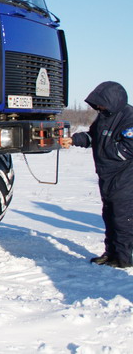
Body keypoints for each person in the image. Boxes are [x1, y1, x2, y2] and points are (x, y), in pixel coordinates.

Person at [60, 81, 133, 268]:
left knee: (122, 218)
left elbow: (128, 148)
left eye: (101, 103)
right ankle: (110, 254)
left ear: (112, 100)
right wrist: (74, 139)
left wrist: (107, 150)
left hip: (125, 178)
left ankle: (123, 258)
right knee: (108, 215)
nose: (98, 107)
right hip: (106, 176)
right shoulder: (103, 117)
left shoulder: (128, 117)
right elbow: (93, 137)